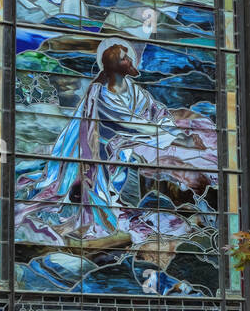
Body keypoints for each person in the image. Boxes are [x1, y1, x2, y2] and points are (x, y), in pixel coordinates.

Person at [14, 37, 215, 248]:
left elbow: (157, 112)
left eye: (129, 57)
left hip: (116, 157)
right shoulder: (102, 95)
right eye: (125, 58)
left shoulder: (135, 91)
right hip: (93, 154)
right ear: (115, 66)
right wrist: (181, 139)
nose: (130, 61)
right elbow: (132, 125)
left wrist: (178, 134)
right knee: (75, 196)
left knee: (108, 197)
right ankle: (42, 219)